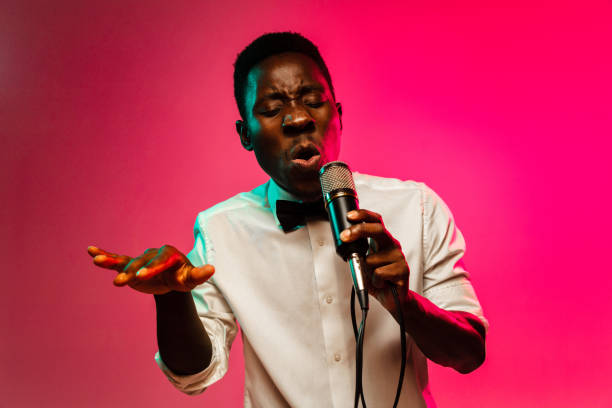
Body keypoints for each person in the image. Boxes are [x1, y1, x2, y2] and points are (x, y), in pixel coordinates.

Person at [88, 32, 487, 407]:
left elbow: (469, 353)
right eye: (273, 109)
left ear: (338, 114)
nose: (298, 119)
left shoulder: (416, 207)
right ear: (246, 135)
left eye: (313, 101)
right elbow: (195, 375)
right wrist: (171, 299)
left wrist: (403, 302)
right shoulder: (221, 230)